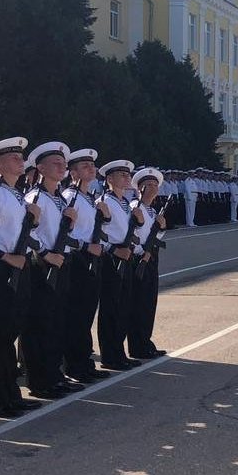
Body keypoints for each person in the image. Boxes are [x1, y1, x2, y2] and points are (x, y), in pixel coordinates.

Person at [0, 137, 43, 419]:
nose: (20, 161)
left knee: (9, 333)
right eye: (14, 158)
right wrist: (4, 257)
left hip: (18, 266)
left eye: (20, 157)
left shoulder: (15, 193)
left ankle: (10, 393)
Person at [20, 141, 77, 401]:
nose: (61, 167)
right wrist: (45, 254)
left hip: (60, 263)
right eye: (55, 163)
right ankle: (40, 380)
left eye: (63, 163)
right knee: (40, 324)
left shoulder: (60, 198)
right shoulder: (35, 198)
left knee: (57, 322)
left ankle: (54, 375)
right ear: (40, 168)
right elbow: (27, 234)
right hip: (41, 265)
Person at [62, 149, 107, 387]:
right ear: (73, 172)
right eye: (85, 166)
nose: (91, 169)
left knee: (87, 313)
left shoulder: (89, 197)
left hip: (92, 258)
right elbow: (64, 235)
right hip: (77, 259)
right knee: (76, 315)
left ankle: (84, 362)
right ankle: (74, 364)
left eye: (92, 165)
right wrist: (86, 246)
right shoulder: (69, 197)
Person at [96, 159, 142, 372]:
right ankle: (110, 355)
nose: (126, 178)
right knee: (111, 309)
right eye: (121, 175)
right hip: (112, 258)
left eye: (127, 175)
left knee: (124, 307)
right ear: (109, 179)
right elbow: (98, 233)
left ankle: (119, 352)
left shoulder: (125, 202)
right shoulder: (104, 201)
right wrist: (114, 250)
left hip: (126, 256)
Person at [128, 167, 168, 360]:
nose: (152, 188)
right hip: (139, 259)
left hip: (151, 257)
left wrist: (162, 228)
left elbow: (155, 237)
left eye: (154, 185)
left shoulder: (152, 211)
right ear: (139, 188)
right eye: (148, 185)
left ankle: (146, 342)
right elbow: (131, 234)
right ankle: (138, 345)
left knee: (149, 303)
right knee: (139, 304)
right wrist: (141, 253)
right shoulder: (134, 207)